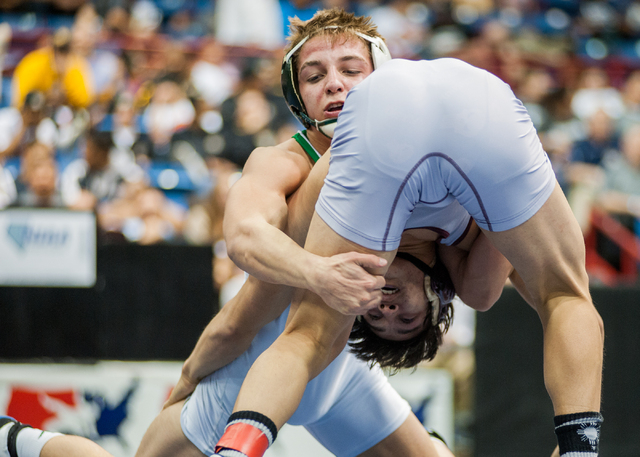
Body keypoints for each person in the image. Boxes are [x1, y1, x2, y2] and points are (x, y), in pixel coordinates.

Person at [216, 43, 605, 457]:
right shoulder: (471, 275)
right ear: (438, 297)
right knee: (561, 293)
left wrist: (312, 272)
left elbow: (241, 298)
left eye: (376, 315)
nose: (387, 307)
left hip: (398, 114)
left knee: (309, 334)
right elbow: (541, 277)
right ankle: (582, 450)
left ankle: (235, 450)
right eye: (405, 317)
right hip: (476, 102)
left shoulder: (323, 206)